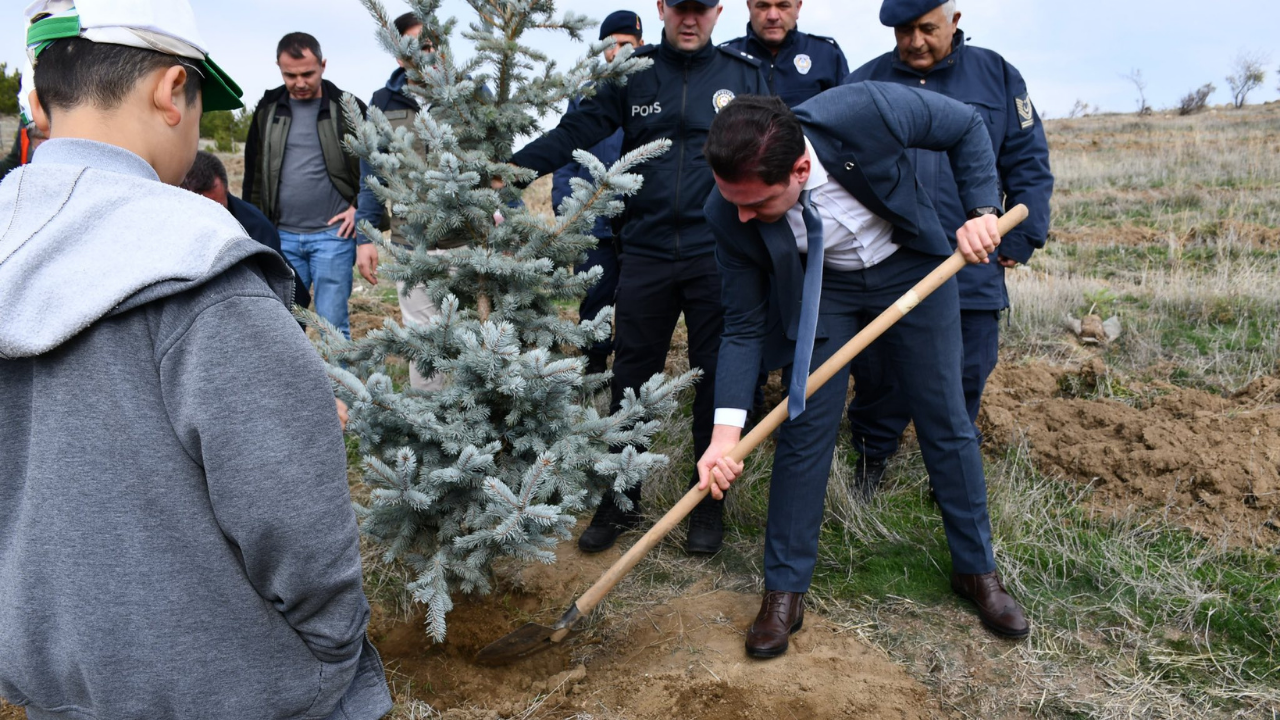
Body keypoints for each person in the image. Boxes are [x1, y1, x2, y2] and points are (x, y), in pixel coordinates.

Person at [0, 2, 392, 718]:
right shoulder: (202, 267)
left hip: (53, 687)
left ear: (44, 96)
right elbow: (293, 513)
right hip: (234, 691)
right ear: (171, 89)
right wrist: (333, 646)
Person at [696, 89, 1030, 658]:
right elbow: (744, 327)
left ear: (801, 170)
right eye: (735, 202)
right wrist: (725, 436)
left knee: (946, 419)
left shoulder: (864, 113)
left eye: (759, 203)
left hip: (913, 266)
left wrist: (982, 212)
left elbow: (966, 125)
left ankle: (977, 571)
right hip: (825, 287)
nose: (743, 216)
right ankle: (784, 590)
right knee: (804, 425)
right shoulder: (727, 211)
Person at [506, 0, 768, 557]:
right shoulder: (633, 75)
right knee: (631, 380)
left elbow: (777, 149)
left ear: (719, 10)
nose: (690, 20)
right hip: (645, 252)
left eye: (702, 9)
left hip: (717, 254)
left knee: (716, 378)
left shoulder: (743, 77)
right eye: (680, 8)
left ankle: (707, 503)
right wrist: (507, 173)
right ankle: (621, 500)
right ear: (662, 7)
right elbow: (574, 132)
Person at [844, 0, 1053, 493]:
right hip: (888, 258)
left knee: (967, 369)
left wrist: (1020, 234)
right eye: (904, 31)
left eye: (927, 28)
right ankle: (873, 456)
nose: (915, 41)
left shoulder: (997, 76)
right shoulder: (865, 83)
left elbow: (1027, 160)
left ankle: (950, 474)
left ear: (954, 21)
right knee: (881, 371)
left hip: (971, 258)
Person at [244, 32, 367, 339]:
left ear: (323, 65)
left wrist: (360, 209)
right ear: (279, 68)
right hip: (281, 239)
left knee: (333, 327)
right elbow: (254, 174)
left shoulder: (348, 108)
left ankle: (338, 375)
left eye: (307, 74)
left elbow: (377, 166)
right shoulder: (268, 109)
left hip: (334, 237)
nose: (299, 82)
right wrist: (254, 230)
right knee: (282, 327)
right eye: (290, 75)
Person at [549, 9, 644, 376]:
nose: (618, 51)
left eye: (627, 44)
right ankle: (593, 372)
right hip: (593, 225)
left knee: (637, 307)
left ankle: (631, 377)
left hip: (638, 226)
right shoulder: (585, 95)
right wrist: (568, 209)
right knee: (595, 300)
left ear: (640, 45)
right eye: (612, 44)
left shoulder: (655, 91)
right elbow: (565, 155)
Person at [182, 150, 312, 309]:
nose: (213, 216)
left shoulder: (256, 227)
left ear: (226, 189)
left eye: (218, 206)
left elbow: (284, 293)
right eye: (205, 208)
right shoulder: (170, 227)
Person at [722, 0, 848, 108]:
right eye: (763, 6)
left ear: (798, 7)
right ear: (749, 7)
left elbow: (847, 114)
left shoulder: (826, 55)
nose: (773, 16)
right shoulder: (726, 59)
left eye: (783, 6)